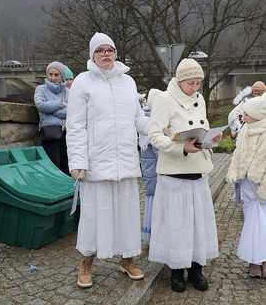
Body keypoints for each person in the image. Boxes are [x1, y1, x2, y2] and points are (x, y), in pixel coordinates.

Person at [66, 32, 148, 288]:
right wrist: (77, 161)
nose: (105, 53)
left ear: (115, 52)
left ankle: (127, 260)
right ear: (92, 54)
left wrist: (161, 127)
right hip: (96, 163)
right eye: (100, 50)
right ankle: (86, 264)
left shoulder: (128, 82)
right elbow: (76, 125)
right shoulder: (82, 82)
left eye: (109, 49)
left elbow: (138, 119)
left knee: (127, 215)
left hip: (125, 161)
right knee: (93, 216)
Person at [148, 58, 221, 293]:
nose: (195, 87)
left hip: (198, 173)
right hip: (174, 174)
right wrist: (180, 148)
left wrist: (209, 141)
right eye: (191, 83)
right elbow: (155, 135)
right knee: (177, 225)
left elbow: (201, 128)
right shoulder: (164, 100)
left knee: (199, 224)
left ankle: (197, 269)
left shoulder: (199, 99)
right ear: (180, 81)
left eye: (198, 82)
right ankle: (177, 271)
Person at [226, 94, 266, 279]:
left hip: (265, 187)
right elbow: (238, 154)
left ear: (257, 115)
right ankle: (253, 261)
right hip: (248, 186)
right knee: (252, 223)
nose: (243, 116)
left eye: (247, 113)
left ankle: (265, 262)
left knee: (264, 223)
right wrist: (234, 173)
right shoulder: (245, 130)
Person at [34, 61, 69, 174]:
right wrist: (60, 104)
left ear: (62, 76)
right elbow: (41, 105)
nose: (52, 77)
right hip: (50, 132)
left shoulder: (68, 91)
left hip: (67, 132)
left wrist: (52, 111)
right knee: (53, 165)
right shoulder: (41, 89)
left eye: (56, 74)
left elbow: (72, 111)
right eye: (50, 74)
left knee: (66, 165)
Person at [140, 88, 163, 244]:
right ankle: (156, 236)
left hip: (149, 178)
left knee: (149, 206)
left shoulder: (145, 120)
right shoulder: (153, 123)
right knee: (156, 208)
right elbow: (160, 153)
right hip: (156, 178)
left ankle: (149, 234)